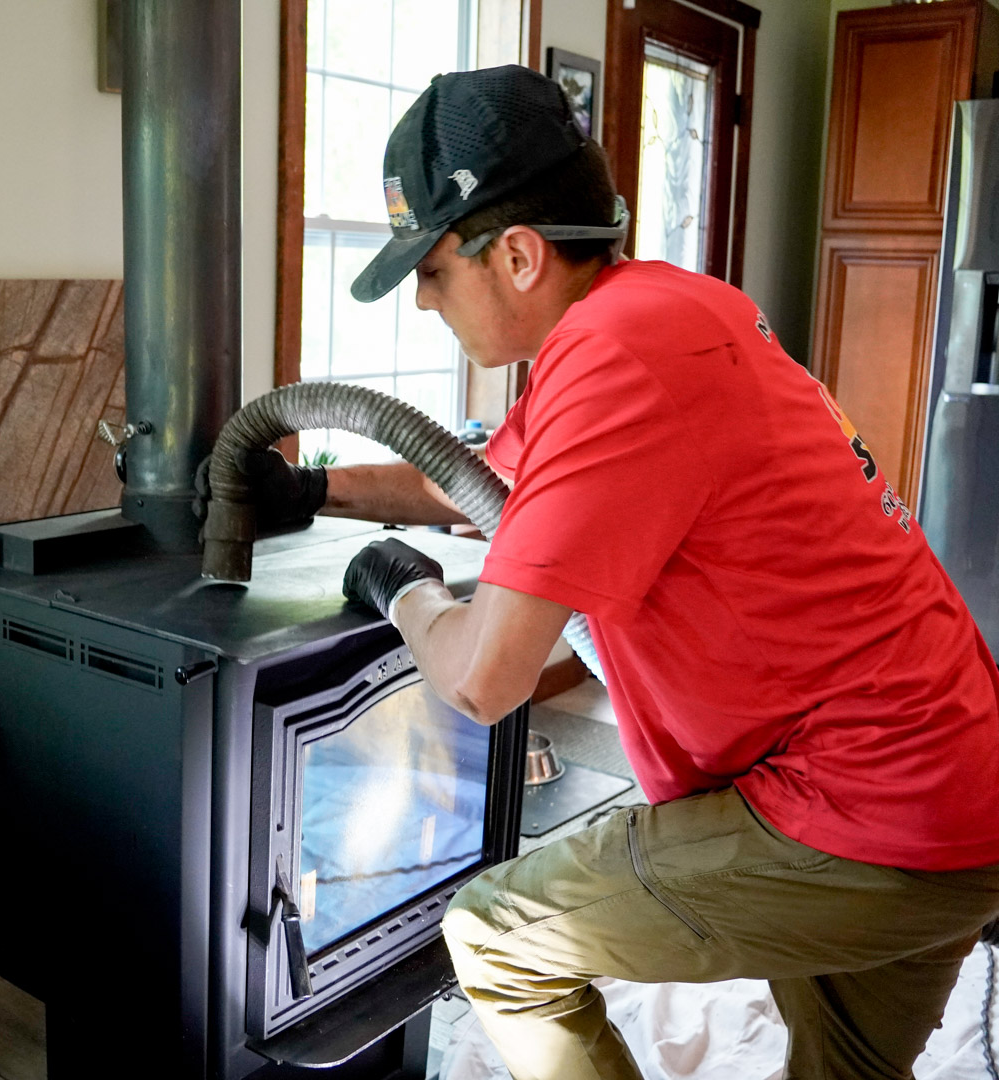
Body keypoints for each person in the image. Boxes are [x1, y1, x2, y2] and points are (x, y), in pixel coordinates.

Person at [245, 66, 999, 1079]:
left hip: (854, 806)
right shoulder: (665, 311)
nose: (425, 302)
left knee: (498, 941)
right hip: (958, 791)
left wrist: (399, 587)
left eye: (431, 271)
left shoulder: (614, 357)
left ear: (515, 255)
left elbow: (482, 679)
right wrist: (314, 493)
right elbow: (481, 480)